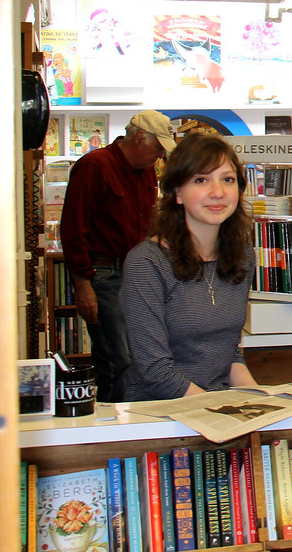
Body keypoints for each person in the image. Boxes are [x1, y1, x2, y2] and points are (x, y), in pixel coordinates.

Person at [120, 133, 258, 401]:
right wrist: (220, 411)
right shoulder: (147, 263)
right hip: (160, 417)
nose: (217, 192)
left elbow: (228, 352)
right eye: (201, 180)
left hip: (217, 412)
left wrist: (261, 399)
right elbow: (155, 371)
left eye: (227, 180)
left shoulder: (243, 256)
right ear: (177, 193)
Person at [59, 110, 176, 402]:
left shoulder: (147, 171)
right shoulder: (94, 166)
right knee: (117, 358)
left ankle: (132, 421)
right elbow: (74, 227)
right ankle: (113, 429)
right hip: (105, 274)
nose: (159, 155)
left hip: (138, 271)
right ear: (139, 137)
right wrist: (83, 285)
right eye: (158, 147)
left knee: (142, 354)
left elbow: (147, 221)